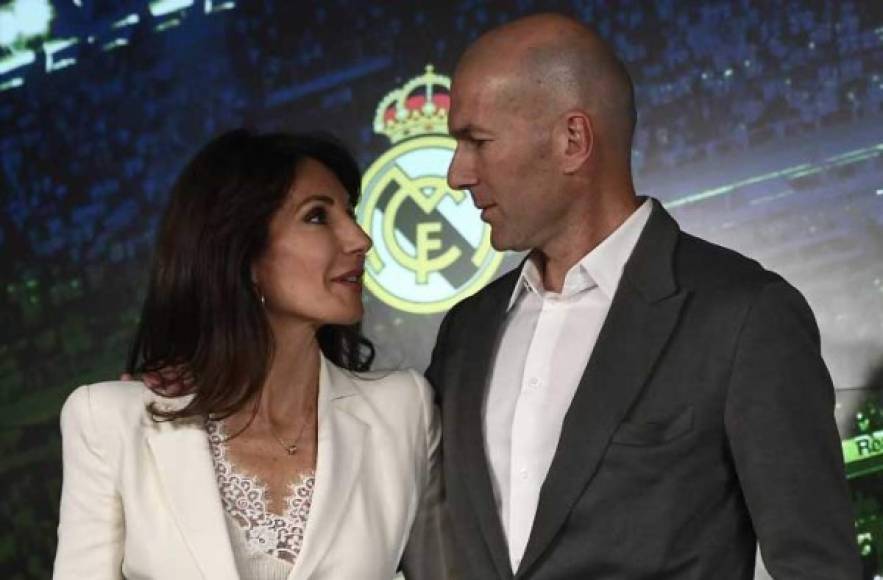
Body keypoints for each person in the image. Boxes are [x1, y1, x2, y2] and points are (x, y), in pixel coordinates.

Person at [426, 13, 861, 580]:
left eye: (477, 141)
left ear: (573, 140)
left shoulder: (743, 315)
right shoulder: (467, 329)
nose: (457, 174)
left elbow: (817, 567)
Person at [53, 130, 447, 580]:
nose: (359, 239)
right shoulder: (109, 419)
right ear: (243, 255)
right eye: (318, 217)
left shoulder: (404, 409)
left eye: (351, 214)